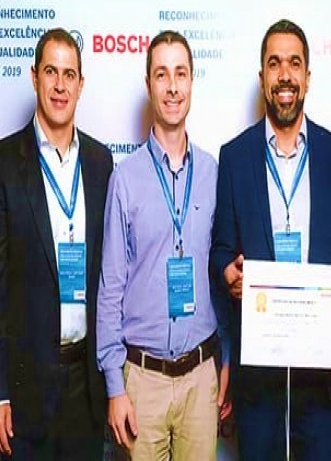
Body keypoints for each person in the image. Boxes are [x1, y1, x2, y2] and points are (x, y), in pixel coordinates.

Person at [210, 19, 331, 460]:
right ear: (262, 78)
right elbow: (221, 247)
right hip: (259, 383)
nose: (285, 75)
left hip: (319, 379)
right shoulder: (235, 157)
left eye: (294, 63)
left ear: (308, 77)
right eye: (274, 64)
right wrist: (227, 272)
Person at [0, 28, 113, 459]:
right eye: (51, 72)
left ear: (81, 85)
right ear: (34, 76)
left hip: (86, 386)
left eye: (69, 75)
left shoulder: (100, 162)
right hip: (25, 391)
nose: (59, 85)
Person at [97, 30, 230, 461]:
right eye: (161, 74)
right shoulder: (125, 178)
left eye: (180, 74)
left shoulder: (213, 173)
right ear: (148, 84)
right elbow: (111, 287)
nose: (172, 87)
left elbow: (223, 273)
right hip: (142, 383)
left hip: (200, 378)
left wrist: (226, 360)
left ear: (192, 81)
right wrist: (115, 387)